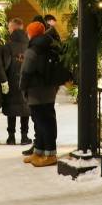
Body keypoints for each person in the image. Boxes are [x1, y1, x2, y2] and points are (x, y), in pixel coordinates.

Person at [21, 20, 65, 167]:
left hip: (36, 90)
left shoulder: (33, 49)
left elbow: (26, 71)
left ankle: (50, 154)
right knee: (43, 121)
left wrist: (23, 87)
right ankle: (39, 152)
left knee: (42, 122)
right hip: (48, 89)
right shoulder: (49, 45)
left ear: (31, 33)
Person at [3, 18, 31, 145]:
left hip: (12, 81)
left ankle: (11, 137)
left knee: (12, 109)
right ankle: (24, 137)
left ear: (13, 28)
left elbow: (5, 65)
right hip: (27, 82)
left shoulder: (8, 46)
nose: (8, 30)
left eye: (9, 27)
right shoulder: (30, 44)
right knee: (25, 109)